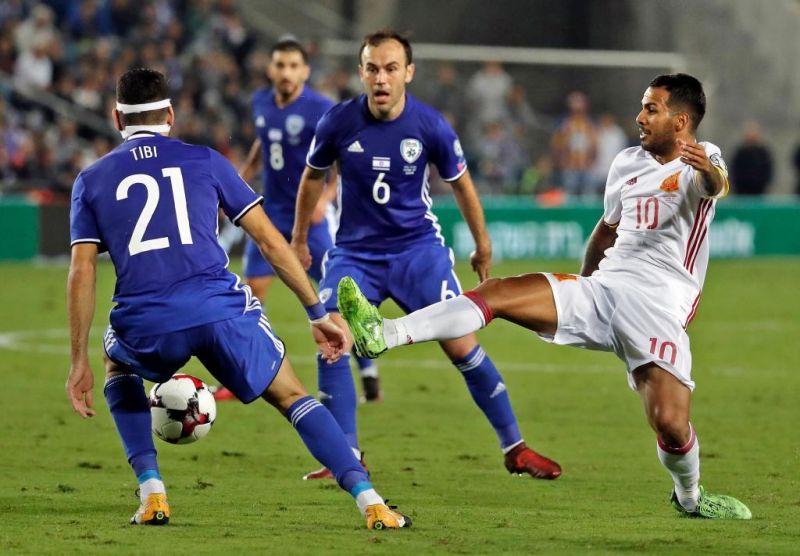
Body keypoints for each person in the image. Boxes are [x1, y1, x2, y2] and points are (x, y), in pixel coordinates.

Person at [338, 73, 752, 520]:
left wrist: (705, 168)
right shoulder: (627, 163)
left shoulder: (702, 159)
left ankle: (689, 496)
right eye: (642, 106)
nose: (640, 116)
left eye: (651, 108)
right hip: (605, 291)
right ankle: (384, 332)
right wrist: (582, 285)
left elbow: (715, 185)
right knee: (496, 293)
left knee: (670, 425)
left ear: (681, 121)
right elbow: (607, 229)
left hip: (659, 309)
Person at [65, 68, 410, 530]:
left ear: (116, 118)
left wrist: (77, 359)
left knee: (117, 364)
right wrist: (316, 311)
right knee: (292, 396)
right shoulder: (206, 160)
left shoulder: (91, 180)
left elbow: (82, 270)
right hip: (219, 309)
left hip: (147, 319)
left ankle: (152, 492)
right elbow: (269, 241)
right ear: (170, 115)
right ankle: (371, 502)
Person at [291, 30, 561, 481]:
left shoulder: (430, 125)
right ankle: (345, 457)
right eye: (373, 68)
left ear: (408, 73)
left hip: (417, 252)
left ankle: (515, 447)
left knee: (461, 343)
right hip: (355, 254)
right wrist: (300, 238)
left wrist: (483, 243)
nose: (381, 78)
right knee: (331, 339)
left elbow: (462, 184)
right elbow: (312, 178)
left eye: (391, 68)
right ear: (361, 72)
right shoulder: (337, 122)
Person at [211, 38, 382, 404]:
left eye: (293, 66)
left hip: (311, 218)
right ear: (270, 69)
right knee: (252, 294)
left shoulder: (321, 108)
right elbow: (262, 146)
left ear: (305, 71)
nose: (286, 72)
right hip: (271, 215)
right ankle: (249, 375)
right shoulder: (260, 102)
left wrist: (326, 197)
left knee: (338, 295)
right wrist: (237, 181)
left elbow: (345, 160)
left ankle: (368, 370)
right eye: (280, 65)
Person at [731, 122, 773, 196]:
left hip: (759, 190)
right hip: (741, 190)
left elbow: (768, 169)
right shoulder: (740, 152)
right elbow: (735, 169)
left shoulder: (763, 153)